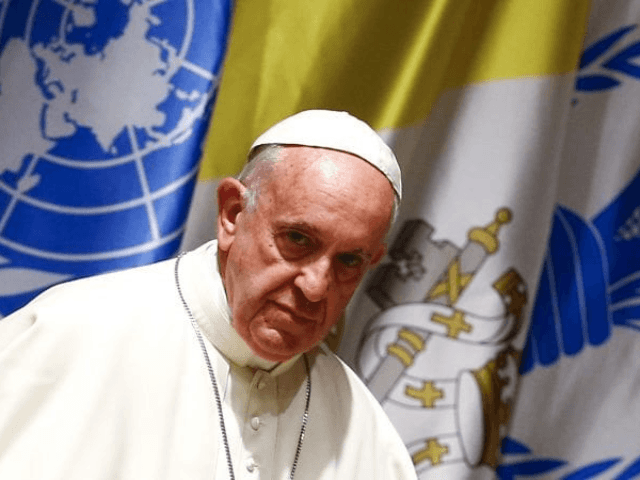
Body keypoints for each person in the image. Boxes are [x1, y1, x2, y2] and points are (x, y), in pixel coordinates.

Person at [0, 110, 417, 479]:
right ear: (232, 214)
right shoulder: (72, 334)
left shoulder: (366, 435)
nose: (315, 286)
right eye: (297, 239)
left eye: (348, 262)